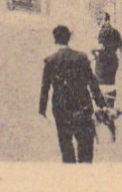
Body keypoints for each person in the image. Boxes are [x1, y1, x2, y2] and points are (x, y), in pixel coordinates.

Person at [39, 24, 107, 164]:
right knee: (86, 148)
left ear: (55, 39)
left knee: (66, 148)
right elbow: (92, 83)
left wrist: (42, 109)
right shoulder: (81, 58)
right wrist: (102, 104)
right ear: (69, 38)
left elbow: (45, 88)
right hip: (82, 107)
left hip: (61, 109)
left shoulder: (50, 61)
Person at [92, 12, 122, 141]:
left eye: (100, 19)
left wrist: (92, 51)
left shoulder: (103, 31)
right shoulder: (116, 32)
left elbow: (100, 46)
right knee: (110, 84)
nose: (99, 22)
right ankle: (110, 106)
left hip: (103, 63)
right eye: (98, 19)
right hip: (113, 63)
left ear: (106, 20)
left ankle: (102, 111)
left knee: (99, 86)